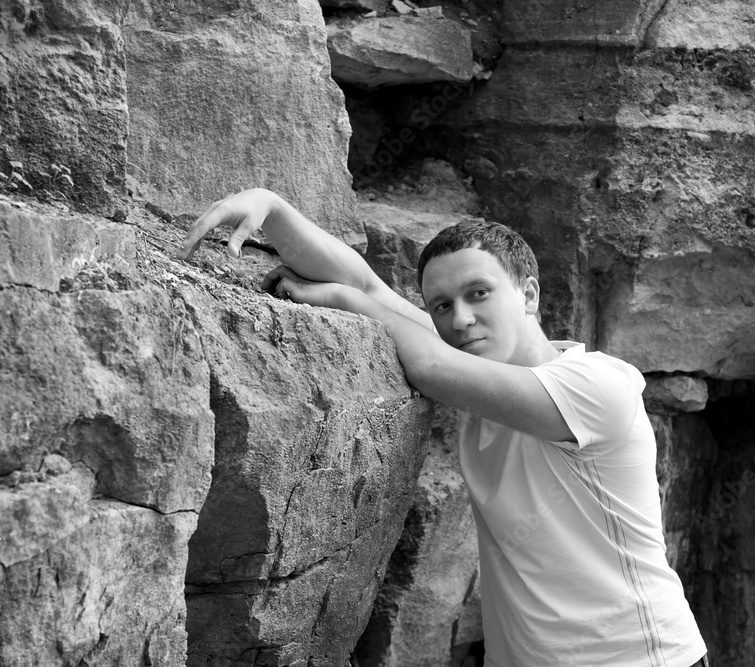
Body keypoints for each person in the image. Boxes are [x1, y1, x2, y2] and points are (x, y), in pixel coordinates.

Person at [180, 188, 708, 667]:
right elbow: (365, 282)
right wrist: (271, 208)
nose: (460, 319)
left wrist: (345, 302)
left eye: (479, 293)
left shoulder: (597, 385)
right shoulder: (478, 368)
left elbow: (421, 357)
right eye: (441, 306)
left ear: (529, 295)